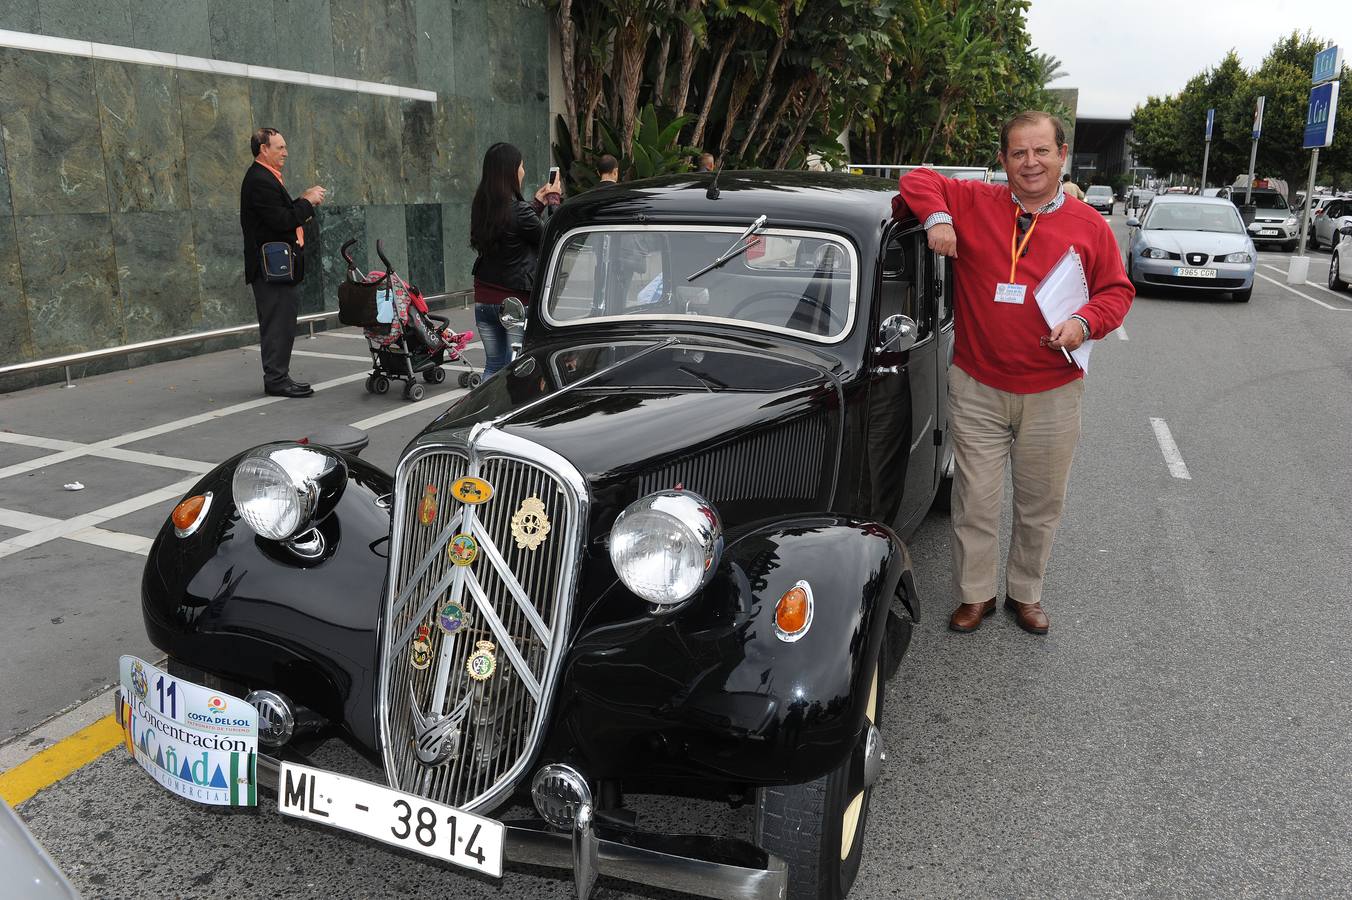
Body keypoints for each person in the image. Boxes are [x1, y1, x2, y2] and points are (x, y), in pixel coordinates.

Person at [894, 110, 1133, 636]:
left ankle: (1026, 594)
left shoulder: (1090, 225)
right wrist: (937, 218)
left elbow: (1117, 292)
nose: (1030, 163)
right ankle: (975, 595)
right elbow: (915, 179)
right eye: (1019, 153)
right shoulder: (975, 200)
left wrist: (1082, 320)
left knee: (1039, 504)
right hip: (977, 385)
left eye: (1041, 151)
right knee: (974, 500)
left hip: (1053, 391)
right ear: (1002, 160)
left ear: (1062, 155)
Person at [239, 127, 326, 397]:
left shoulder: (266, 177)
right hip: (270, 270)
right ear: (263, 149)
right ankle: (276, 379)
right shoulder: (260, 180)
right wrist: (308, 202)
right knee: (278, 323)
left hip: (276, 268)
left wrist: (300, 200)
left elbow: (281, 213)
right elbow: (282, 221)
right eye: (280, 147)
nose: (285, 152)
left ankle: (279, 376)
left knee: (282, 322)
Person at [470, 142, 555, 378]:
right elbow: (550, 239)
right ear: (510, 171)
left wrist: (536, 205)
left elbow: (511, 227)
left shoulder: (481, 206)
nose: (523, 170)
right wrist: (554, 201)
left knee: (493, 366)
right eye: (521, 165)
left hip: (484, 299)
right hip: (514, 304)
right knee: (515, 371)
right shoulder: (519, 211)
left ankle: (484, 414)